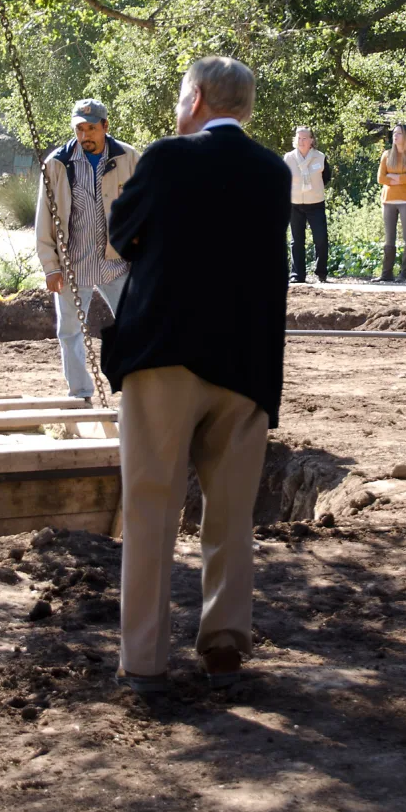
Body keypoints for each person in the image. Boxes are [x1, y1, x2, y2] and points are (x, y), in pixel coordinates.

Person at [101, 57, 291, 695]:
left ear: (199, 98)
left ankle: (145, 660)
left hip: (166, 354)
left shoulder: (167, 157)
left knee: (152, 506)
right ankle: (225, 644)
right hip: (247, 364)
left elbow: (120, 233)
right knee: (232, 513)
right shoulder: (274, 172)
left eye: (183, 97)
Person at [35, 98, 139, 401]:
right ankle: (80, 395)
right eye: (79, 129)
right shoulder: (57, 163)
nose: (85, 136)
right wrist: (50, 266)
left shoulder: (129, 159)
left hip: (118, 263)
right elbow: (44, 221)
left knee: (135, 328)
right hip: (72, 265)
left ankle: (134, 393)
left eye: (91, 128)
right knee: (70, 332)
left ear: (106, 127)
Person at [284, 126, 331, 284]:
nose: (301, 141)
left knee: (321, 239)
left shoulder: (320, 157)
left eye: (304, 138)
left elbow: (326, 177)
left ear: (311, 140)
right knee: (296, 241)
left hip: (316, 204)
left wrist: (315, 191)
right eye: (298, 138)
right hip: (295, 204)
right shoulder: (288, 158)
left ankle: (321, 273)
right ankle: (297, 275)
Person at [375, 123, 406, 282]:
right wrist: (399, 177)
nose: (395, 136)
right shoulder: (386, 155)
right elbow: (380, 178)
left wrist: (392, 177)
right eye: (394, 133)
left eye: (399, 133)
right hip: (388, 200)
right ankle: (386, 274)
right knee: (389, 238)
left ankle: (404, 274)